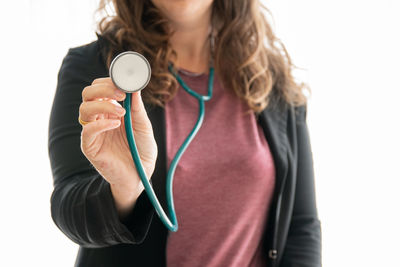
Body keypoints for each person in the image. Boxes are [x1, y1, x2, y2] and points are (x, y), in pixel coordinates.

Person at [48, 0, 321, 266]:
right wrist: (126, 188)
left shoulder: (269, 78)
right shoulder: (92, 67)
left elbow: (301, 226)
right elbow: (68, 208)